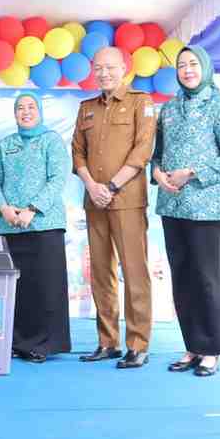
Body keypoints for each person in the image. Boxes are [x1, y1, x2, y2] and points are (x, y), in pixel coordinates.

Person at [152, 46, 220, 377]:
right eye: (182, 65)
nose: (187, 70)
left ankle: (212, 349)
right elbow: (157, 155)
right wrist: (159, 174)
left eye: (193, 64)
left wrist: (191, 173)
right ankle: (192, 345)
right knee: (183, 278)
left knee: (207, 277)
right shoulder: (170, 108)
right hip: (172, 205)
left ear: (205, 67)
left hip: (207, 205)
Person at [71, 47, 157, 369]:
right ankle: (107, 342)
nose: (104, 73)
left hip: (127, 201)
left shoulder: (140, 102)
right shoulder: (86, 108)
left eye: (111, 67)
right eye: (99, 68)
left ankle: (138, 344)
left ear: (124, 68)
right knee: (101, 274)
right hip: (94, 201)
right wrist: (92, 186)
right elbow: (77, 152)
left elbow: (142, 150)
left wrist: (111, 186)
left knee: (135, 273)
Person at [0, 91, 71, 363]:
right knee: (16, 288)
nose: (25, 112)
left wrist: (32, 210)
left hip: (44, 224)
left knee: (44, 286)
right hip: (10, 225)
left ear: (39, 111)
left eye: (31, 107)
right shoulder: (5, 144)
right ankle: (16, 341)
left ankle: (43, 344)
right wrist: (5, 209)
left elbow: (58, 179)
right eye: (20, 108)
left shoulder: (52, 141)